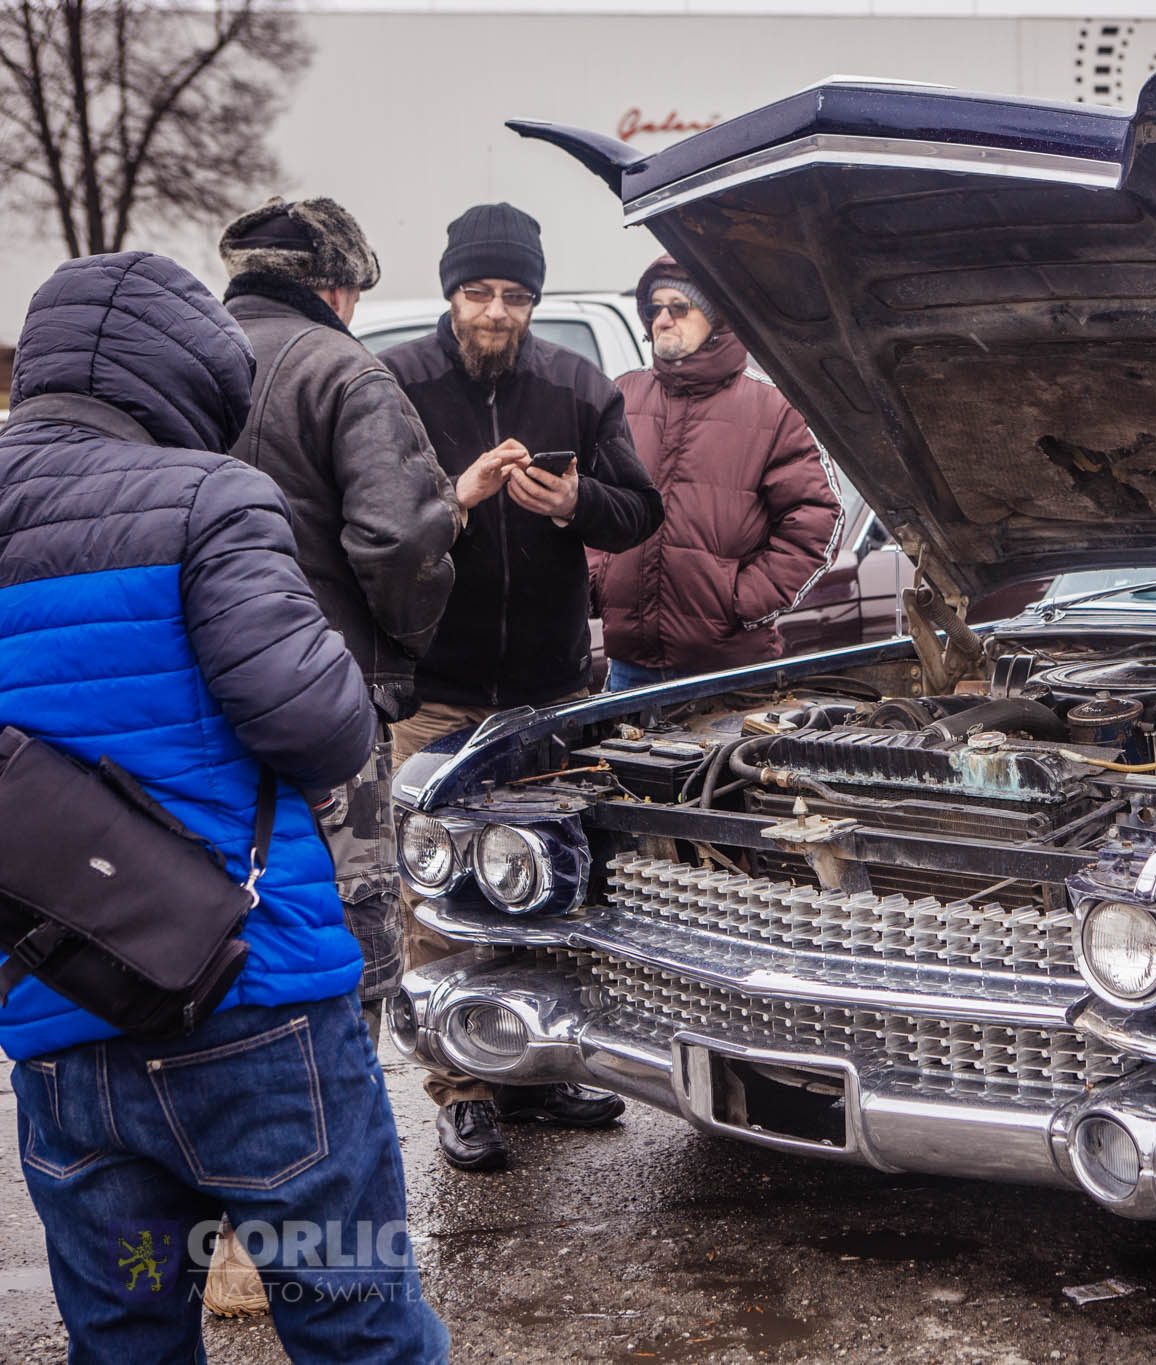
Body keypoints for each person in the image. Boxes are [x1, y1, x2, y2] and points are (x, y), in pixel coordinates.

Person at [0, 251, 448, 1360]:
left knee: (128, 1329)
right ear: (183, 382)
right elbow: (318, 730)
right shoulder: (209, 497)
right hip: (257, 1011)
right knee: (357, 1324)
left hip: (56, 1015)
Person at [203, 195, 463, 1317]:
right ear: (339, 285)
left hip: (193, 711)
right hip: (320, 701)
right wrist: (398, 646)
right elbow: (400, 533)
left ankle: (213, 1229)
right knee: (342, 939)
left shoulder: (183, 367)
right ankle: (316, 1237)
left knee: (208, 933)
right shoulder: (344, 372)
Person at [379, 203, 661, 1173]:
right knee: (437, 893)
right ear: (451, 292)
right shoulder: (398, 383)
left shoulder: (576, 384)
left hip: (543, 685)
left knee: (544, 875)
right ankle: (462, 1085)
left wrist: (577, 501)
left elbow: (637, 513)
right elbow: (370, 528)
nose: (495, 313)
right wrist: (454, 501)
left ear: (534, 300)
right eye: (478, 292)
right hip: (435, 682)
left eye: (513, 295)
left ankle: (535, 1066)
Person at [593, 255, 840, 690]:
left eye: (679, 307)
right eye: (654, 309)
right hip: (629, 672)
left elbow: (818, 518)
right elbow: (590, 502)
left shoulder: (774, 407)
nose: (663, 319)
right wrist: (598, 580)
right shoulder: (622, 395)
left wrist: (741, 601)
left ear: (717, 318)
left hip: (731, 673)